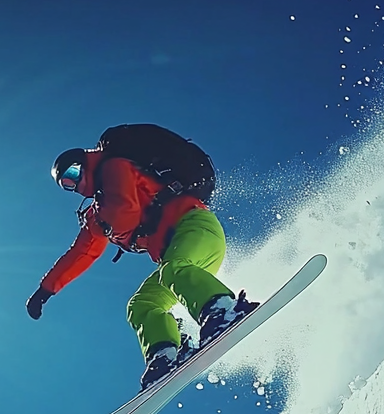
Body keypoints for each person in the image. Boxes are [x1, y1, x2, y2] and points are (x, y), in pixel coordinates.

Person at [26, 130, 258, 389]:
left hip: (194, 228)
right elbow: (82, 253)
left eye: (73, 174)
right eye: (68, 185)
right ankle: (166, 353)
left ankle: (223, 310)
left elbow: (126, 210)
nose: (75, 184)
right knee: (141, 304)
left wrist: (102, 224)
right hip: (178, 255)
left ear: (84, 162)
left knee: (172, 271)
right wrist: (45, 291)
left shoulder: (114, 167)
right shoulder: (97, 215)